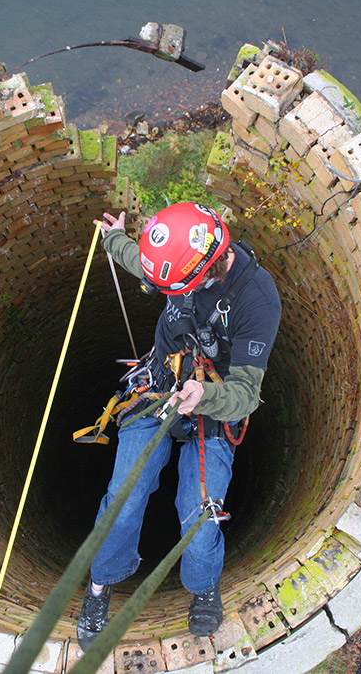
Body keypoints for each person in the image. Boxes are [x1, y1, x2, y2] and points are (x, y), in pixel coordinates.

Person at [76, 202, 282, 651]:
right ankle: (100, 584)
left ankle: (203, 585)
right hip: (158, 389)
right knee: (122, 498)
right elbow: (145, 266)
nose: (169, 293)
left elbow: (246, 394)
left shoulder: (257, 301)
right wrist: (116, 240)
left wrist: (204, 395)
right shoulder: (184, 261)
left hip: (212, 405)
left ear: (211, 264)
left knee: (199, 513)